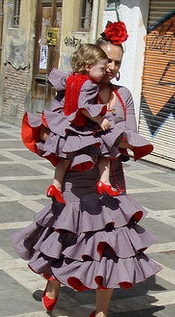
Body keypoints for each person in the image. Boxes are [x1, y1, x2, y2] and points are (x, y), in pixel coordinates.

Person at [12, 21, 159, 317]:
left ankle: (100, 314)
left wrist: (113, 142)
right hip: (76, 183)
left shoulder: (123, 98)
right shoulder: (74, 88)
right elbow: (55, 125)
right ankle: (54, 279)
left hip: (110, 185)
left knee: (109, 247)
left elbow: (129, 136)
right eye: (108, 59)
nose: (113, 67)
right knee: (66, 237)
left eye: (118, 62)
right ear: (94, 59)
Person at [46, 43, 122, 205]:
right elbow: (84, 107)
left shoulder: (71, 78)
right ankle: (104, 181)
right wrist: (100, 119)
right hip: (82, 127)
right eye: (102, 68)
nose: (105, 71)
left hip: (68, 126)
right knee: (105, 151)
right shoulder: (89, 85)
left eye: (117, 63)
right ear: (88, 67)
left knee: (64, 160)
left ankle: (55, 186)